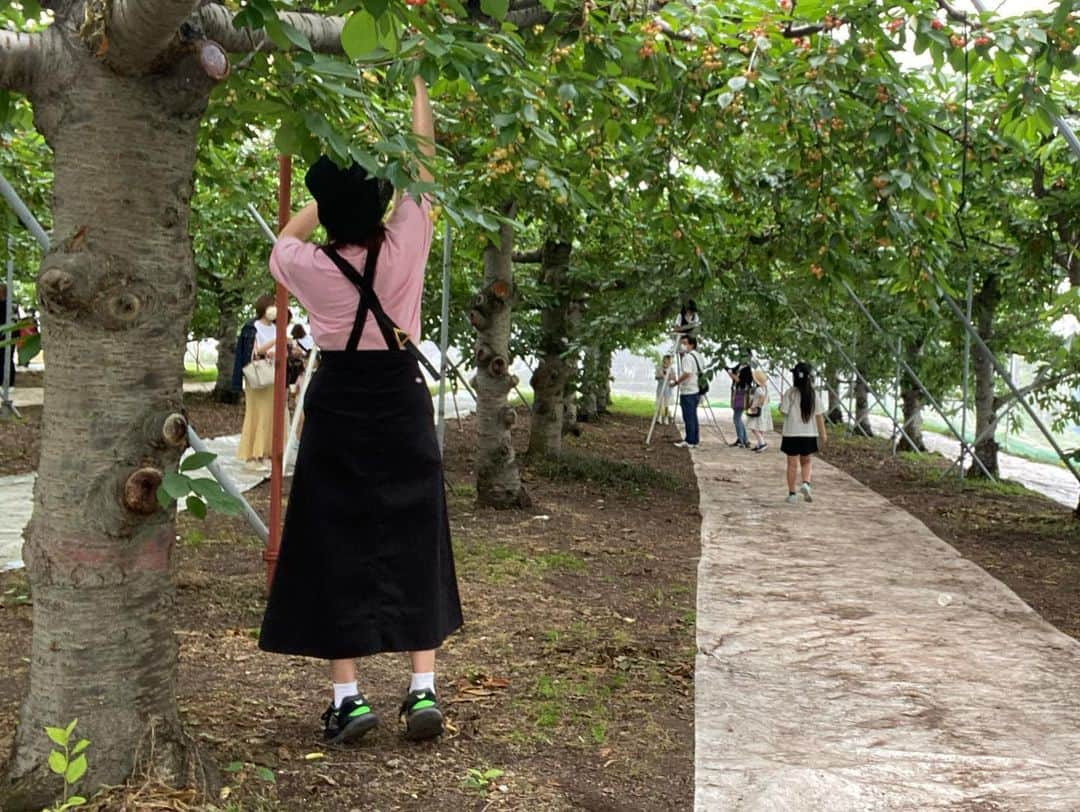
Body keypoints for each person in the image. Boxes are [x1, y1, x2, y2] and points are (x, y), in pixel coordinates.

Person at [258, 75, 462, 746]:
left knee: (331, 538)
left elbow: (283, 242)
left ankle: (347, 699)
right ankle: (422, 687)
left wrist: (320, 203)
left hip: (338, 403)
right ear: (379, 206)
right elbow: (425, 169)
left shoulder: (308, 270)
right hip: (399, 397)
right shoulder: (404, 246)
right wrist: (418, 88)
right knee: (414, 531)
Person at [236, 294, 287, 464]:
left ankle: (269, 451)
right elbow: (255, 351)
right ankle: (254, 453)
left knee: (273, 413)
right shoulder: (252, 327)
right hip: (258, 375)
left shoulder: (277, 327)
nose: (275, 309)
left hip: (274, 374)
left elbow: (282, 350)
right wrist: (277, 341)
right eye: (272, 305)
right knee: (257, 413)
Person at [778, 362, 827, 504]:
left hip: (791, 434)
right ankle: (806, 483)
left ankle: (792, 494)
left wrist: (782, 403)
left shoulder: (790, 393)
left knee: (792, 464)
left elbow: (783, 411)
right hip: (809, 434)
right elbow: (819, 416)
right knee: (806, 462)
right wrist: (823, 434)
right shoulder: (814, 394)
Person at [670, 335, 703, 448]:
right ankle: (694, 440)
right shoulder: (698, 356)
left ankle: (689, 440)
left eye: (685, 343)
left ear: (691, 344)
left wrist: (676, 382)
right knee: (693, 416)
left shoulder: (688, 357)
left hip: (688, 391)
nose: (683, 346)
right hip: (696, 390)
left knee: (688, 416)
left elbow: (687, 373)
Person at [745, 368, 773, 452]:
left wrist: (756, 405)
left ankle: (762, 443)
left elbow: (762, 397)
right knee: (759, 427)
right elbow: (768, 399)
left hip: (757, 409)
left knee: (754, 427)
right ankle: (759, 444)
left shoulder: (758, 389)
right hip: (764, 410)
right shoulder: (765, 388)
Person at [726, 363, 753, 448]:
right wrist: (726, 368)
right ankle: (745, 440)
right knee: (738, 418)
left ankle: (741, 440)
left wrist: (730, 373)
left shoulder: (747, 369)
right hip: (737, 392)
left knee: (736, 418)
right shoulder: (740, 366)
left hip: (741, 393)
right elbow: (732, 373)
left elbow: (738, 380)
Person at [654, 354, 675, 424]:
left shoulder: (671, 369)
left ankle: (666, 417)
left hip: (667, 388)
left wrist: (669, 377)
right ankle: (659, 417)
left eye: (668, 360)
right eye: (665, 359)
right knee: (659, 402)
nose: (666, 361)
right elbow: (656, 377)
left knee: (666, 403)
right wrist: (661, 376)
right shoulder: (659, 368)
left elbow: (674, 378)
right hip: (660, 387)